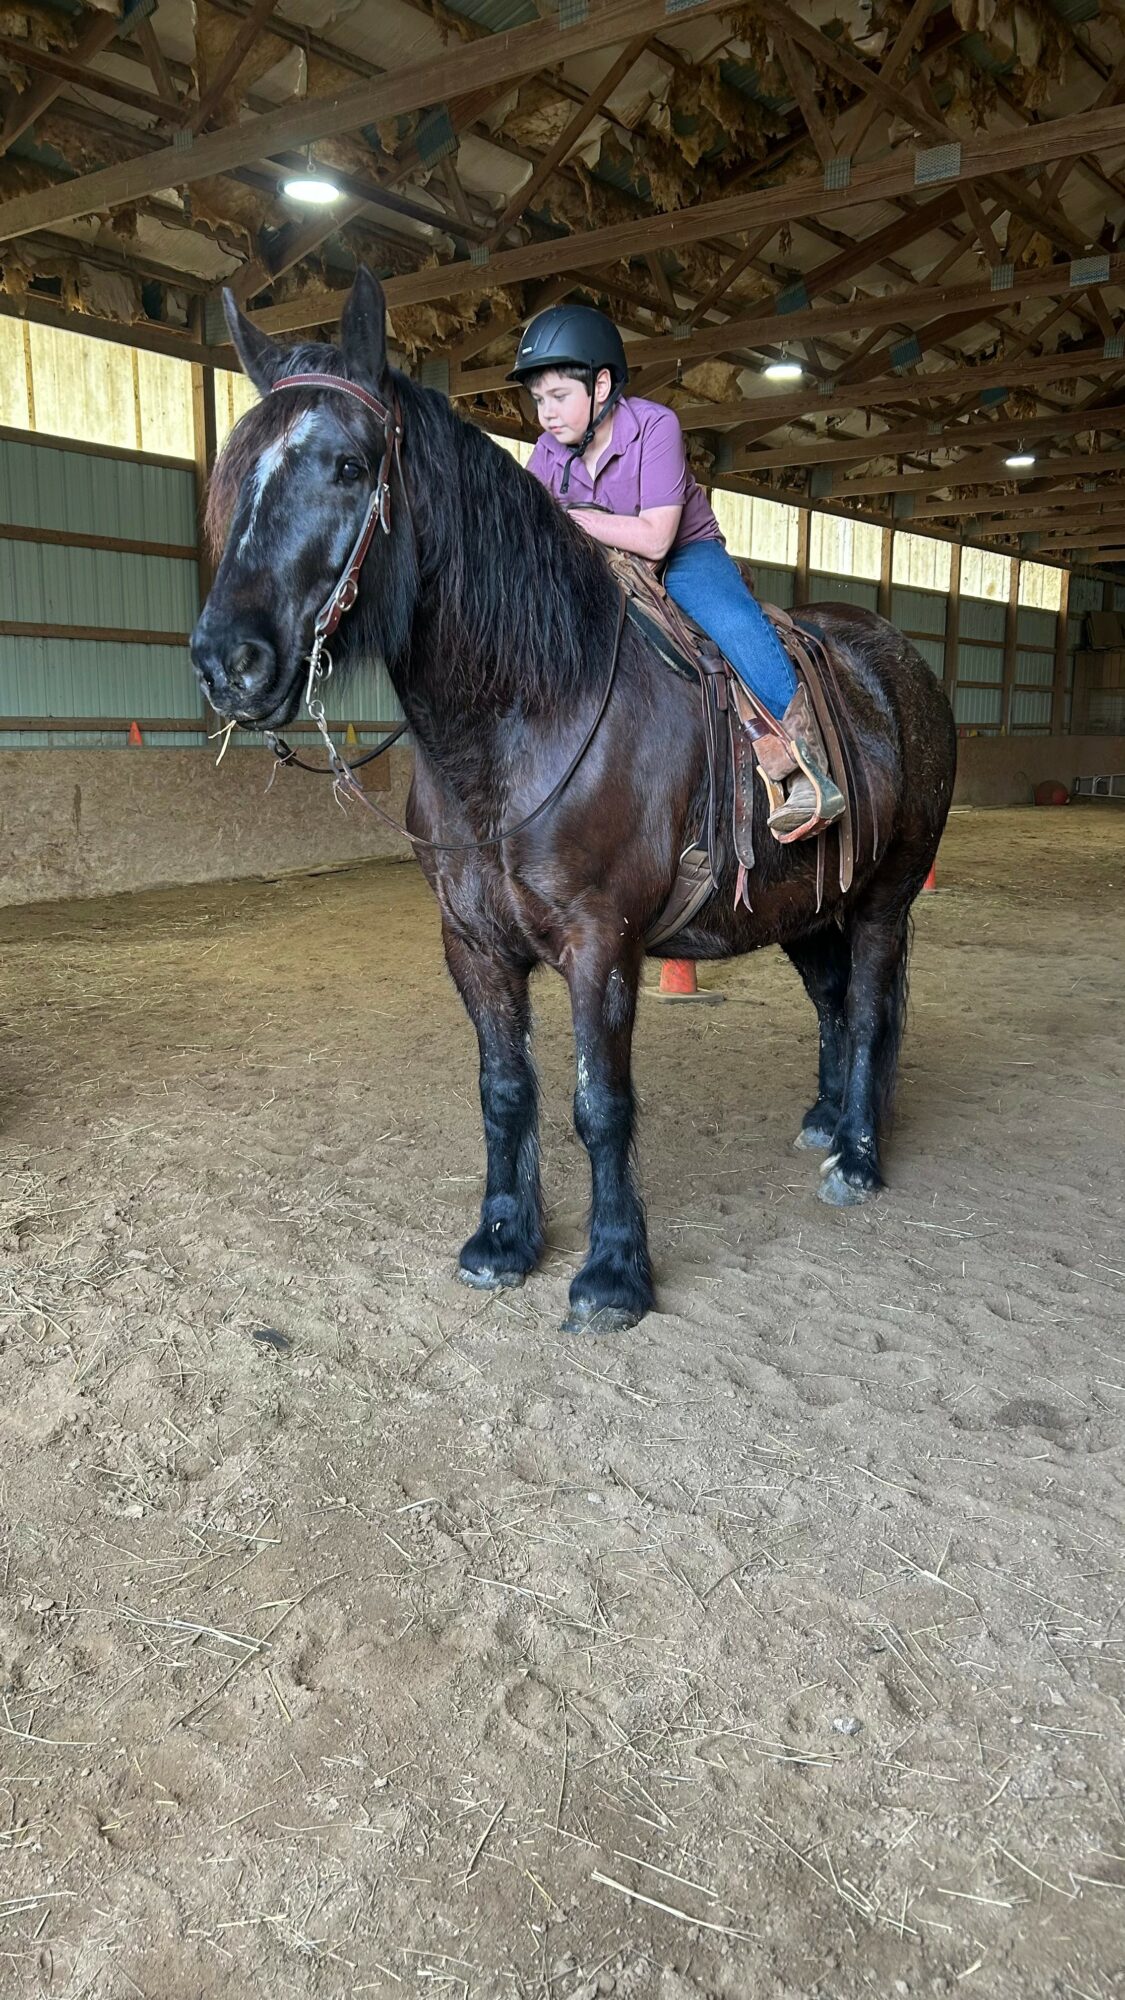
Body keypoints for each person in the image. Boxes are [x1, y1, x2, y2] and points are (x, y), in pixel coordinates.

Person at [510, 304, 844, 841]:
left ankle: (802, 766)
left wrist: (573, 519)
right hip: (597, 561)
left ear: (601, 386)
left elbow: (656, 538)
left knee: (733, 622)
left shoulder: (655, 426)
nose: (546, 413)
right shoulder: (547, 451)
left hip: (684, 554)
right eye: (538, 400)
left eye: (558, 396)